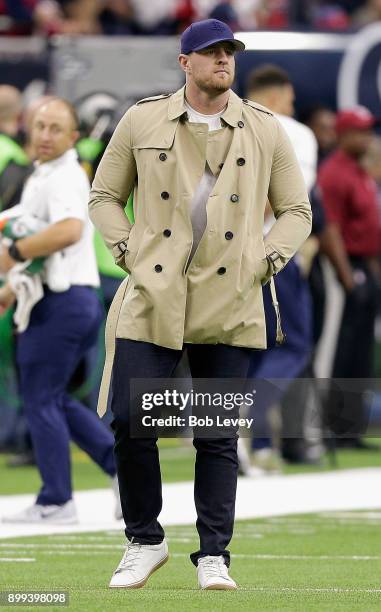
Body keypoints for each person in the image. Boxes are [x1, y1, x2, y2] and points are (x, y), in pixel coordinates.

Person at [89, 18, 312, 590]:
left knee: (217, 434)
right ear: (184, 61)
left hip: (229, 297)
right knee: (132, 419)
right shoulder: (142, 118)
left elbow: (296, 211)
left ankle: (214, 553)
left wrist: (264, 261)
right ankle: (145, 539)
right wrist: (125, 249)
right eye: (210, 53)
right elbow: (106, 195)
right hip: (153, 292)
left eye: (229, 52)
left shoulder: (264, 127)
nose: (223, 61)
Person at [0, 97, 121, 524]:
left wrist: (13, 251)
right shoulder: (43, 175)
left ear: (73, 137)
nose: (46, 135)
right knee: (50, 397)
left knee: (40, 398)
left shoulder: (65, 175)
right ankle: (119, 468)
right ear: (28, 129)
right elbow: (43, 251)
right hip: (59, 299)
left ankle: (57, 499)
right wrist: (12, 289)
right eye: (40, 126)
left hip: (64, 302)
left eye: (55, 128)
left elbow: (69, 231)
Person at [318, 106, 381, 449]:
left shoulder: (359, 171)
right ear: (343, 134)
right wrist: (347, 276)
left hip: (364, 267)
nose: (367, 136)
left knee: (360, 353)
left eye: (369, 130)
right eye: (360, 131)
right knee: (342, 353)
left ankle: (352, 430)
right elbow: (332, 229)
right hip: (346, 269)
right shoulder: (334, 173)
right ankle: (335, 429)